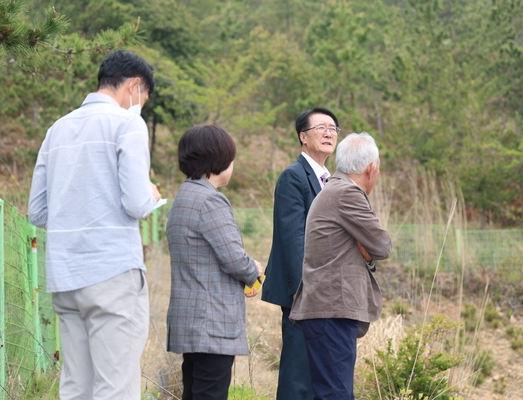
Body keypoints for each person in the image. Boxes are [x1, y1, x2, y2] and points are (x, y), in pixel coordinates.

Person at [28, 50, 161, 399]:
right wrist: (151, 193)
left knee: (76, 387)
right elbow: (136, 203)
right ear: (134, 86)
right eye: (142, 99)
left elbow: (37, 212)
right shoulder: (127, 123)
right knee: (115, 387)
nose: (140, 107)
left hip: (65, 275)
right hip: (111, 271)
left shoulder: (57, 129)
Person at [290, 132, 393, 400]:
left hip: (326, 310)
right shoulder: (347, 194)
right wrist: (369, 254)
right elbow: (382, 245)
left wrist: (367, 255)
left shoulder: (333, 190)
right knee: (336, 394)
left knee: (332, 391)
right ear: (371, 169)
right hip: (331, 311)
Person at [166, 125, 264, 400]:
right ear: (218, 161)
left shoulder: (184, 196)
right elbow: (233, 258)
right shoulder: (210, 201)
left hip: (191, 319)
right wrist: (252, 270)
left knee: (195, 392)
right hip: (212, 323)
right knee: (211, 393)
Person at [261, 107, 339, 399]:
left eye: (333, 128)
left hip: (326, 292)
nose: (329, 133)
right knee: (297, 373)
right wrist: (301, 289)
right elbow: (292, 235)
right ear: (303, 137)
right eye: (321, 127)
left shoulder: (329, 179)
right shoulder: (294, 176)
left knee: (317, 371)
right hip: (303, 293)